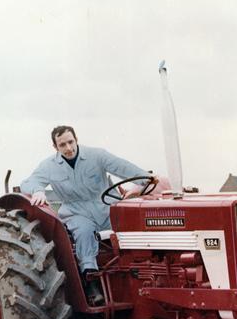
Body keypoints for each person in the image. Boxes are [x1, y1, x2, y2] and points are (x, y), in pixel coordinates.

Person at [20, 125, 155, 302]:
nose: (68, 148)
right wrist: (37, 190)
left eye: (71, 142)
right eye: (62, 145)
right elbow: (28, 183)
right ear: (55, 147)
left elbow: (123, 167)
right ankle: (91, 282)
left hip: (106, 207)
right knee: (83, 231)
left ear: (76, 140)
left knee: (131, 227)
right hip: (76, 212)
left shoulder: (96, 155)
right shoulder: (49, 166)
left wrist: (145, 178)